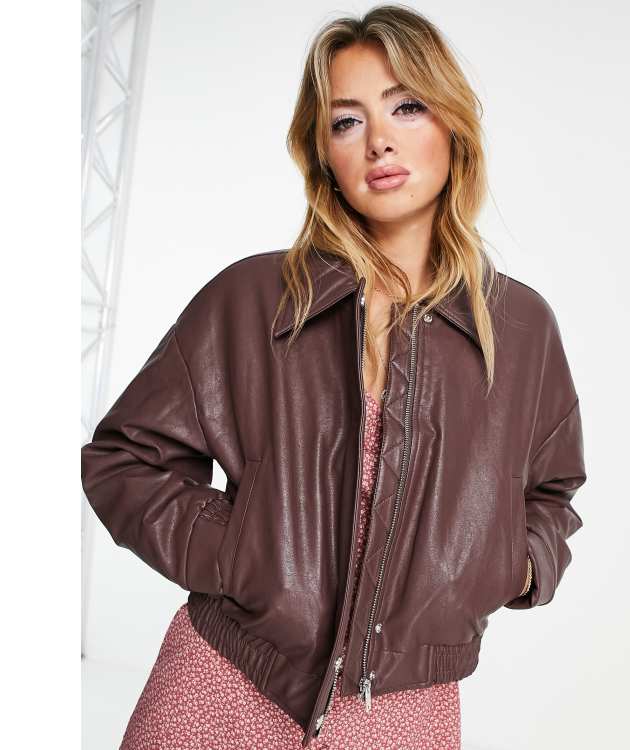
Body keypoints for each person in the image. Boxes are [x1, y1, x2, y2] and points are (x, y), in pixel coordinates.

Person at [81, 5, 587, 749]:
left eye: (406, 107)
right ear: (324, 155)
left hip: (404, 715)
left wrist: (509, 567)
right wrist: (239, 551)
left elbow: (551, 492)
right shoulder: (254, 299)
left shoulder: (520, 329)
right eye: (347, 121)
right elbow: (125, 459)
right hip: (224, 683)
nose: (379, 140)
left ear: (451, 123)